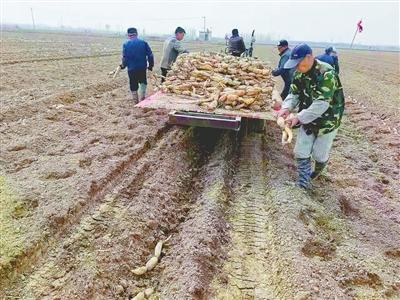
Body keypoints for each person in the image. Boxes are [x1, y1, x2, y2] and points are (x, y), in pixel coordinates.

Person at [277, 43, 345, 189]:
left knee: (319, 155)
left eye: (298, 63)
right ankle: (303, 183)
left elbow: (321, 103)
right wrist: (286, 108)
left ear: (309, 57)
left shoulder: (327, 74)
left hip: (327, 121)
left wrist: (298, 117)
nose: (297, 67)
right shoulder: (299, 73)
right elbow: (294, 93)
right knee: (301, 151)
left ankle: (317, 171)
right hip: (307, 119)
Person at [119, 27, 154, 103]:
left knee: (133, 85)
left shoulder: (126, 44)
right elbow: (150, 55)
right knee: (143, 82)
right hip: (142, 68)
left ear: (128, 35)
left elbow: (125, 58)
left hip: (131, 69)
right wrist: (150, 66)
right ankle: (142, 98)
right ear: (137, 34)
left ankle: (136, 101)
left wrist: (122, 66)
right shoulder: (143, 43)